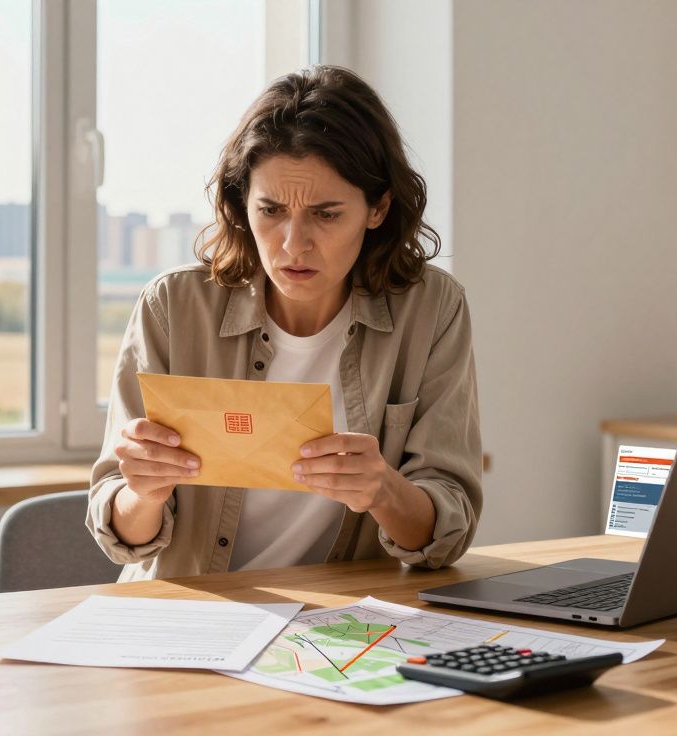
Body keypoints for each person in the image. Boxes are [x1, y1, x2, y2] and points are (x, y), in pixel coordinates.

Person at [86, 65, 482, 582]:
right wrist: (143, 493)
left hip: (341, 623)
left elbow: (445, 534)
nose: (294, 244)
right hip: (189, 611)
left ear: (378, 207)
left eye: (326, 214)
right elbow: (122, 537)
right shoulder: (173, 307)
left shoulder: (433, 310)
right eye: (270, 210)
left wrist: (383, 489)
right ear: (240, 205)